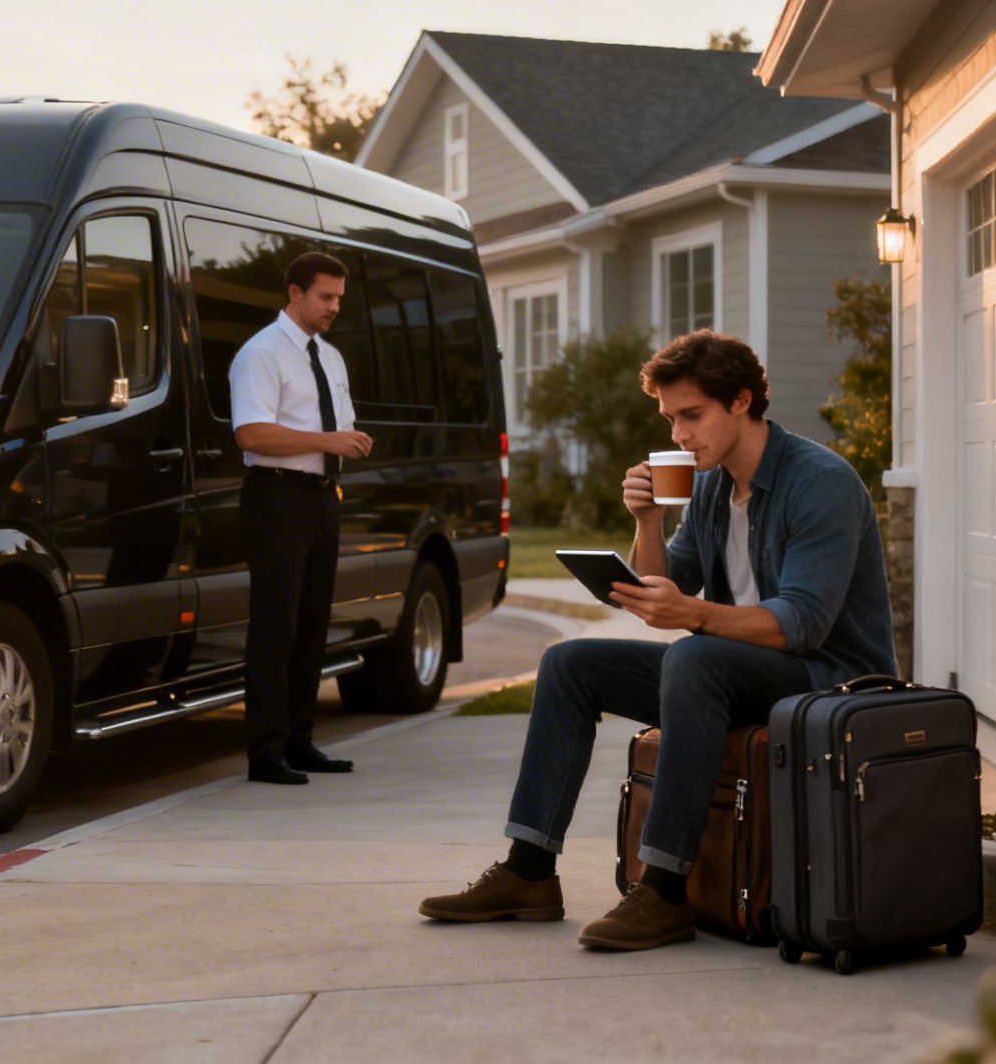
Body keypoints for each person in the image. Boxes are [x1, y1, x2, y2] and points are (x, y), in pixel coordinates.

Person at [419, 329, 895, 949]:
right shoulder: (714, 486)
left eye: (692, 416)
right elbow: (661, 591)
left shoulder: (819, 482)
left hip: (828, 681)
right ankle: (529, 871)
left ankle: (665, 890)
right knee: (569, 663)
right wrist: (649, 521)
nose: (679, 435)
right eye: (670, 419)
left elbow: (799, 623)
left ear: (742, 401)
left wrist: (692, 615)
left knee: (695, 657)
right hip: (737, 669)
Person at [228, 251, 374, 785]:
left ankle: (300, 741)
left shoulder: (330, 358)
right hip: (276, 499)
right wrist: (325, 440)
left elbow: (338, 425)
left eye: (339, 297)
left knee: (313, 624)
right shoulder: (261, 354)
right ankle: (265, 755)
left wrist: (347, 443)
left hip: (321, 498)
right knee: (276, 625)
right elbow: (252, 434)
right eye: (326, 297)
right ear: (295, 293)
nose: (335, 306)